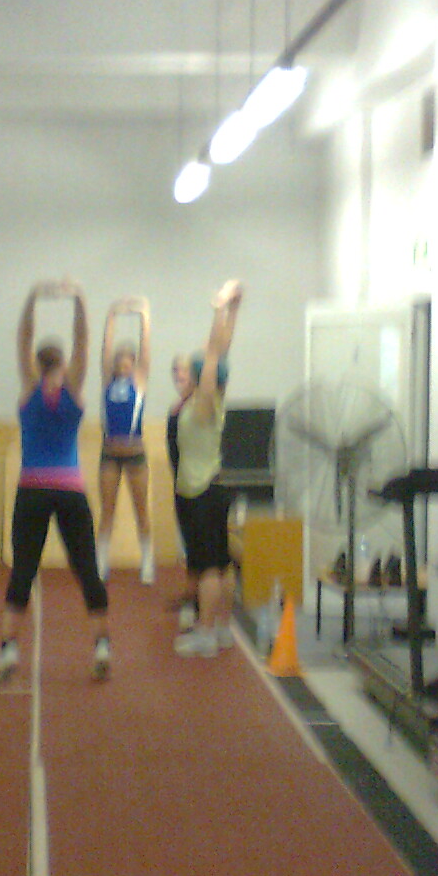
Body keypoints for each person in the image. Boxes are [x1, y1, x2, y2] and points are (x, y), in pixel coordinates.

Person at [0, 278, 112, 682]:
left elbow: (22, 338)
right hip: (70, 491)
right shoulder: (73, 390)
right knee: (87, 569)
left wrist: (31, 298)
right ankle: (102, 644)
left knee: (23, 570)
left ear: (35, 363)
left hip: (31, 491)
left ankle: (8, 649)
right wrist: (79, 298)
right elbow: (84, 342)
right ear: (62, 363)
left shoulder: (30, 389)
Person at [174, 279, 243, 657]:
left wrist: (219, 308)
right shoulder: (213, 399)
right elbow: (219, 350)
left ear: (204, 377)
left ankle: (204, 634)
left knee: (209, 567)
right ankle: (221, 628)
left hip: (201, 491)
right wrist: (234, 309)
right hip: (212, 488)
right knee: (222, 562)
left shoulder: (203, 402)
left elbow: (215, 353)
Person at [96, 296, 155, 584]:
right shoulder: (108, 381)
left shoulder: (139, 381)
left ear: (133, 364)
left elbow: (146, 351)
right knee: (107, 510)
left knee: (141, 509)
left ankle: (147, 561)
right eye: (118, 362)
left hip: (134, 453)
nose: (122, 365)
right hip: (110, 452)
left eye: (127, 362)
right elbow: (105, 350)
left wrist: (144, 316)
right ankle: (100, 562)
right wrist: (111, 316)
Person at [165, 351, 199, 631]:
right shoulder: (177, 407)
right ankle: (191, 592)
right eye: (175, 370)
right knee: (187, 542)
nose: (179, 374)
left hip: (197, 485)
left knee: (197, 543)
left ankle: (197, 601)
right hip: (181, 482)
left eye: (184, 370)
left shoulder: (197, 406)